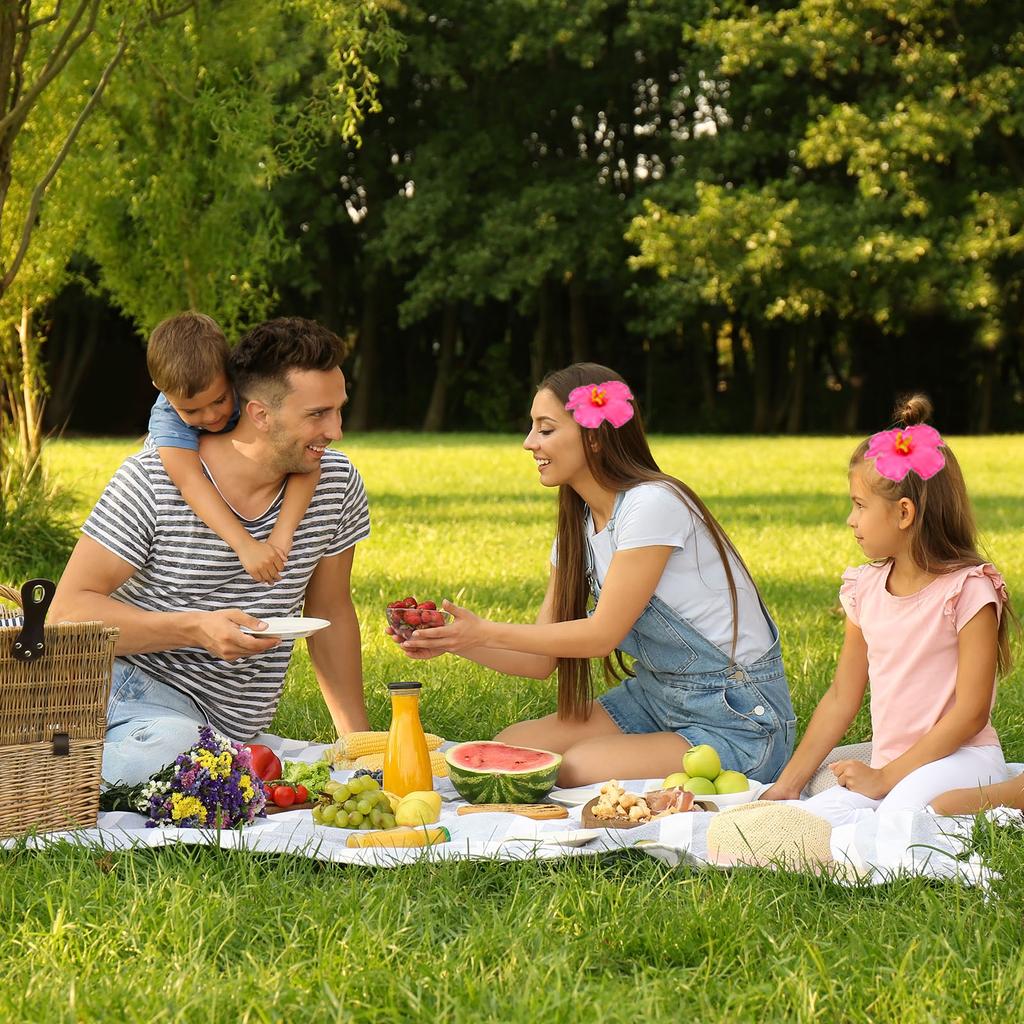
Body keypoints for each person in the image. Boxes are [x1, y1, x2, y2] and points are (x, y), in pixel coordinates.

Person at [400, 362, 795, 787]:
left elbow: (601, 634)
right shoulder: (578, 529)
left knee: (578, 767)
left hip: (737, 718)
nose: (528, 442)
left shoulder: (652, 504)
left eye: (545, 429)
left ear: (593, 437)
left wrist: (485, 631)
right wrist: (453, 639)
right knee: (512, 746)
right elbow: (540, 660)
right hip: (655, 699)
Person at [50, 317, 372, 786]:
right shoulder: (151, 480)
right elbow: (65, 615)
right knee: (177, 749)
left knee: (206, 761)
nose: (336, 430)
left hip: (226, 730)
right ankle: (34, 777)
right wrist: (195, 629)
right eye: (318, 414)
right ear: (259, 413)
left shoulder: (337, 484)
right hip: (128, 692)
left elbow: (331, 611)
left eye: (338, 410)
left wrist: (360, 747)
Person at [762, 395, 1016, 826]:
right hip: (894, 764)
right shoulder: (864, 589)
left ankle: (1010, 792)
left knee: (902, 819)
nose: (850, 519)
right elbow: (842, 696)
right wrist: (789, 785)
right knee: (815, 817)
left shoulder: (969, 591)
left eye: (860, 505)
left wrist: (884, 779)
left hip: (963, 757)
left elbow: (971, 714)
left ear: (904, 513)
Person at [146, 311, 318, 584]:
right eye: (191, 411)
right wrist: (244, 545)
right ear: (161, 390)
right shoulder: (167, 418)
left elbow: (305, 462)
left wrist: (282, 534)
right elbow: (189, 481)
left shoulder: (250, 391)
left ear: (230, 372)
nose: (211, 416)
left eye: (220, 400)